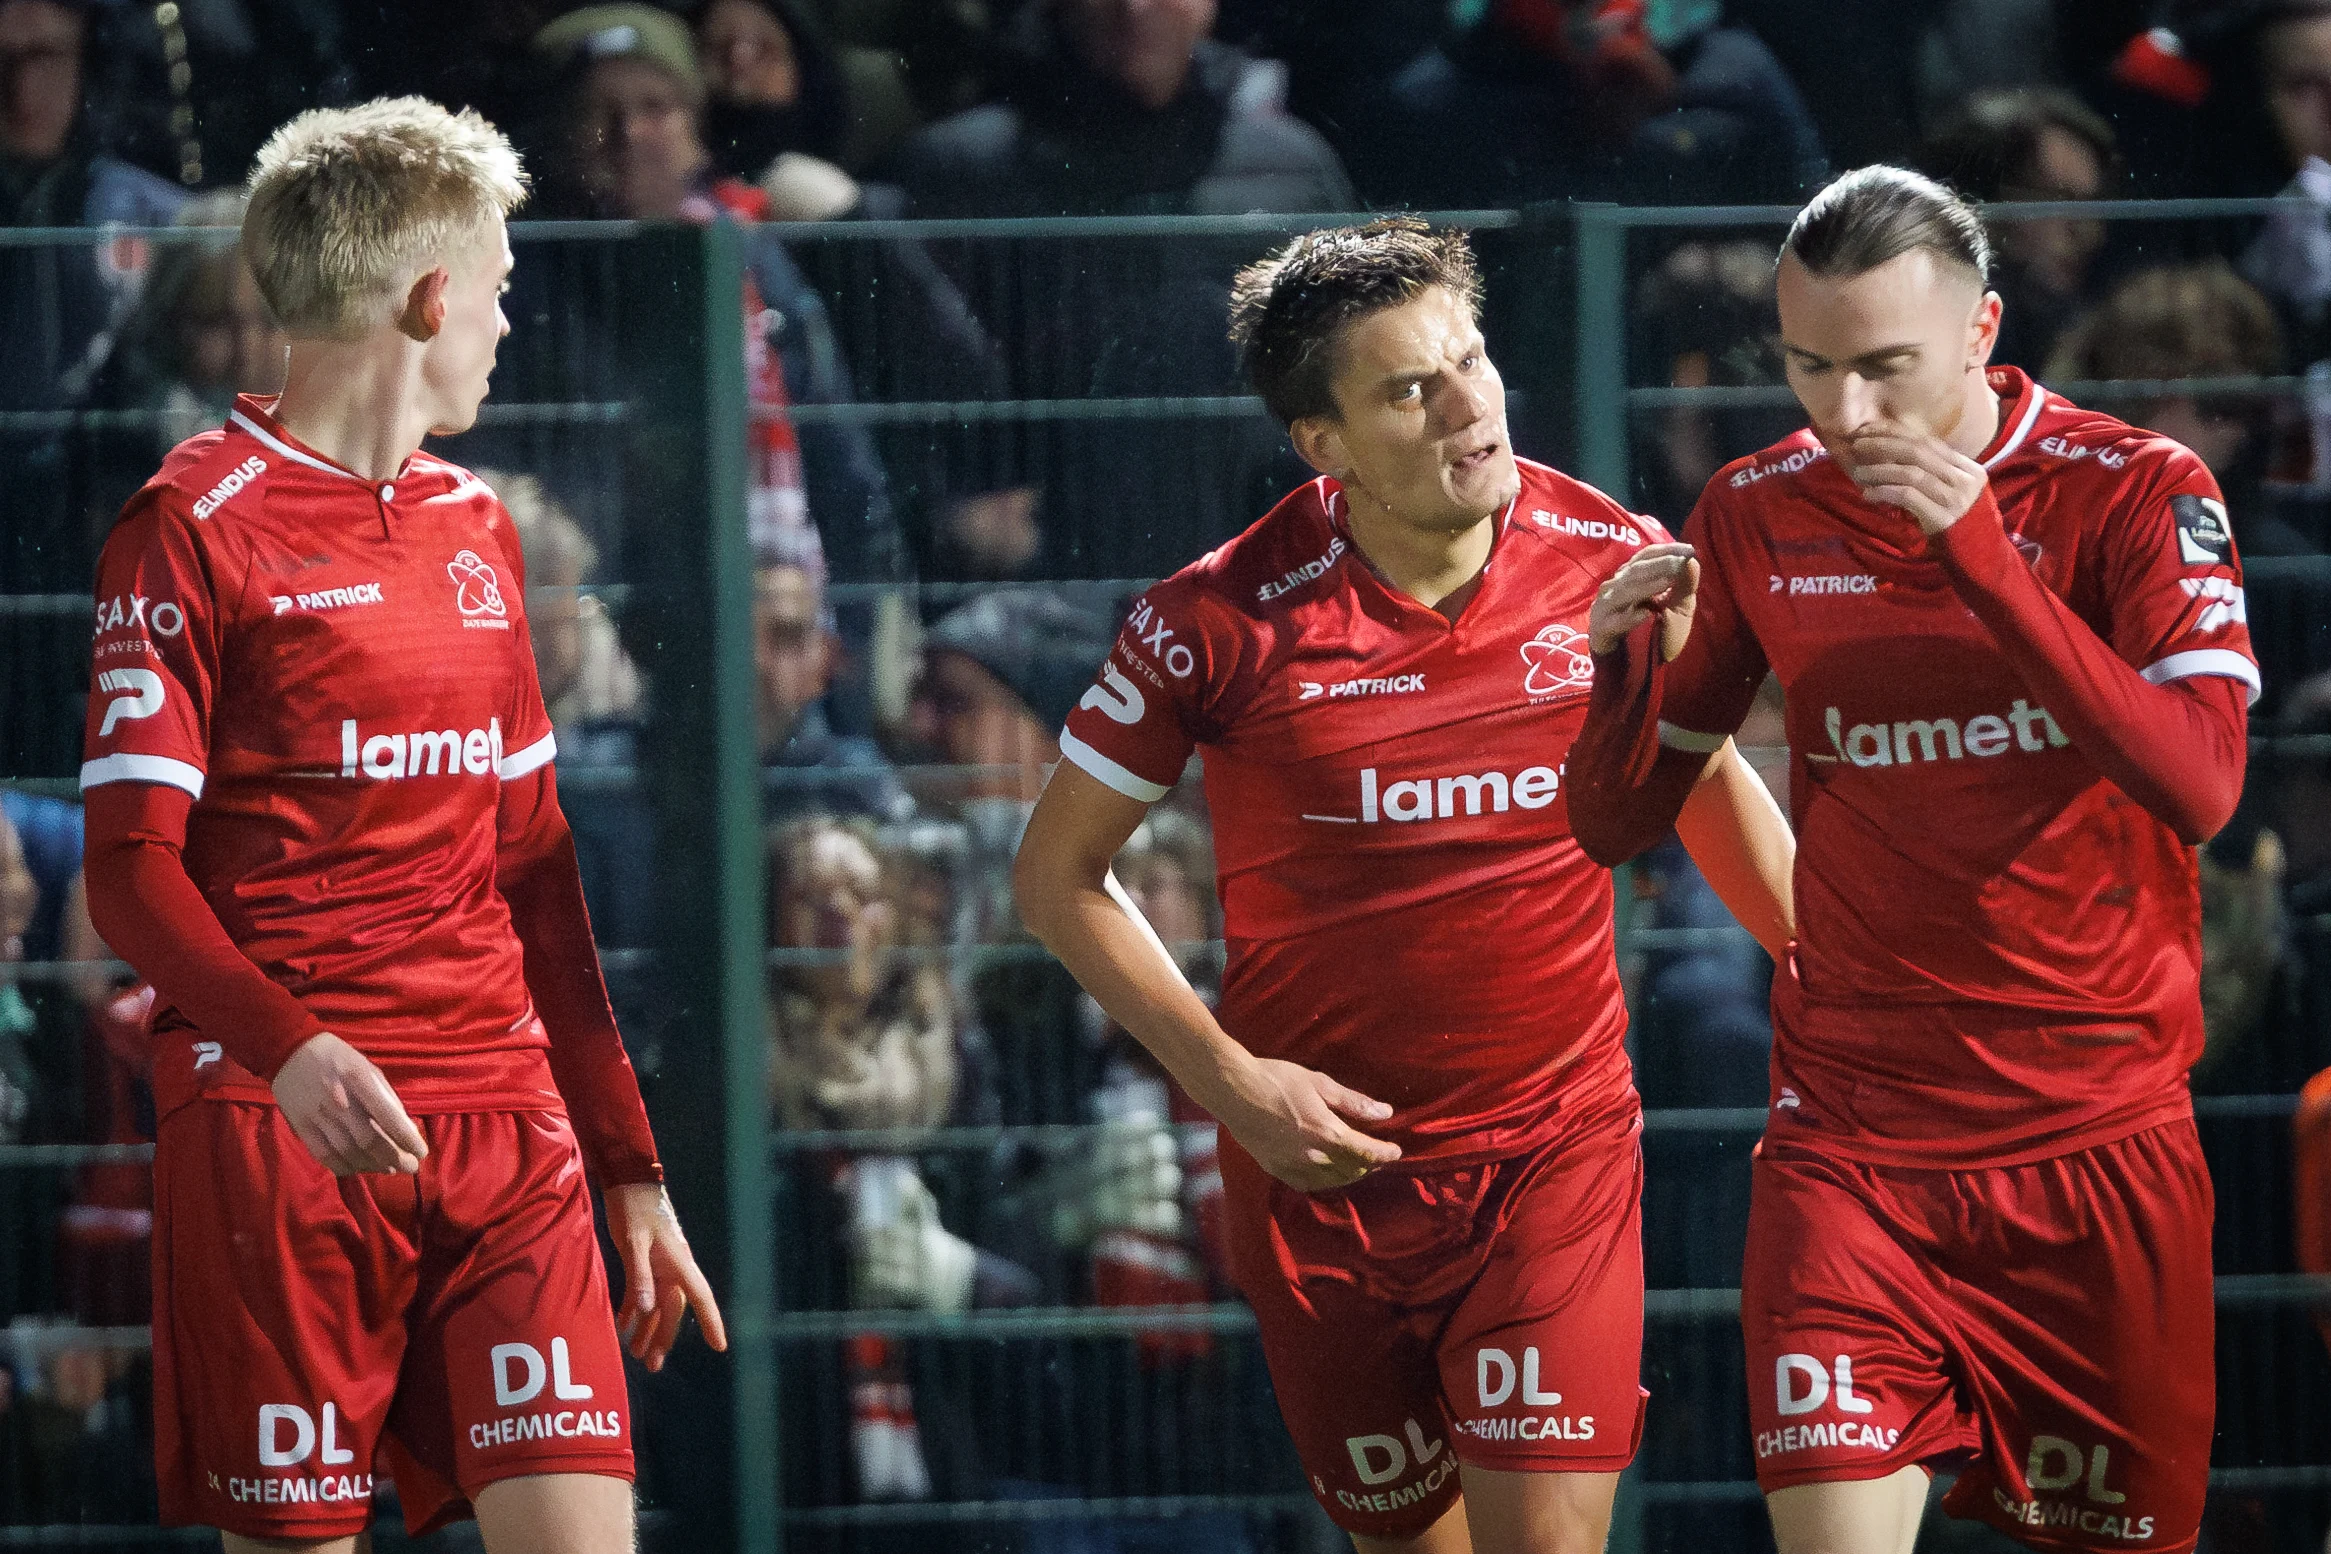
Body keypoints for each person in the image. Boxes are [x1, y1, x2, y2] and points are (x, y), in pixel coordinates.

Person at [1013, 217, 1796, 1553]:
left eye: (1470, 358)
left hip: (1552, 1156)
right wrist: (1230, 1082)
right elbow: (1054, 877)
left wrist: (1840, 981)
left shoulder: (1607, 552)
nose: (1468, 403)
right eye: (1406, 388)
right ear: (1322, 443)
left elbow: (1699, 769)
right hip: (1323, 1182)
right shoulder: (1214, 621)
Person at [1568, 166, 2258, 1554]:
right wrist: (1620, 677)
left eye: (1883, 366)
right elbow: (1617, 823)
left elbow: (2196, 784)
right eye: (1808, 365)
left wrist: (1984, 561)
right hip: (1850, 1149)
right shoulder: (1758, 509)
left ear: (1978, 331)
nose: (1845, 412)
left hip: (2093, 1142)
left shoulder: (2134, 491)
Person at [74, 98, 726, 1552]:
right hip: (284, 1120)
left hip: (507, 1126)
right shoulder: (188, 525)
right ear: (433, 296)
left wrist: (626, 1160)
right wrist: (284, 1046)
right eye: (497, 288)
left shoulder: (479, 525)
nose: (504, 323)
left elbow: (537, 874)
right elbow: (126, 875)